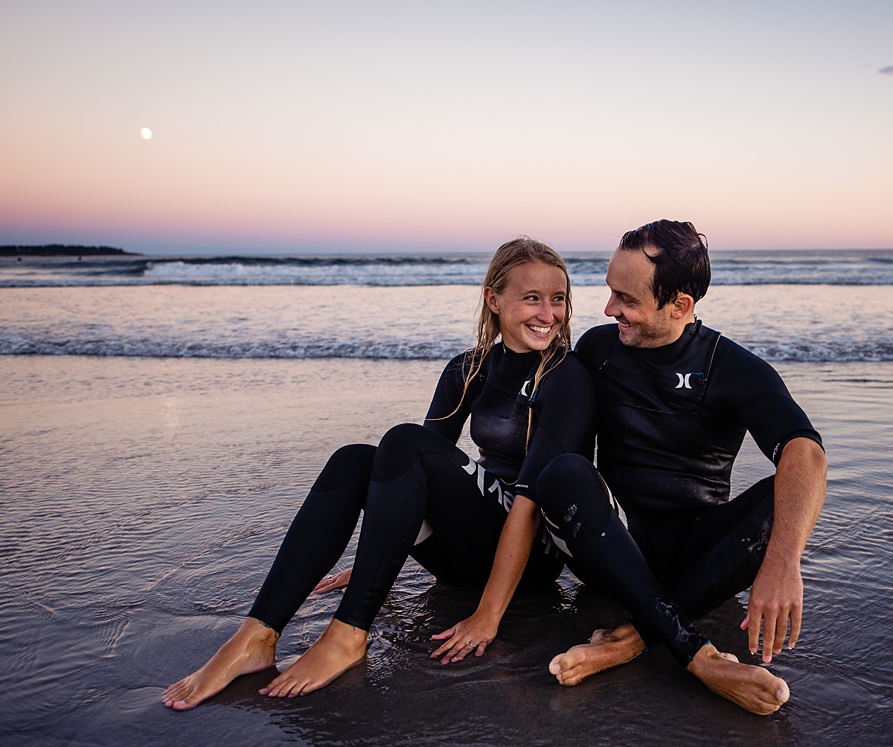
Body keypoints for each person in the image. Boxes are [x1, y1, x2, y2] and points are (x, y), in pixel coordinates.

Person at [163, 237, 594, 710]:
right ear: (494, 299)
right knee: (354, 459)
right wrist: (374, 561)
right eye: (532, 297)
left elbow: (526, 504)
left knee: (404, 440)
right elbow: (415, 477)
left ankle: (347, 635)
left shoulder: (566, 375)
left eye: (558, 299)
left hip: (530, 560)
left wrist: (488, 616)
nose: (548, 314)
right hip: (469, 554)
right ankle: (255, 635)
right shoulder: (468, 369)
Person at [536, 220, 828, 715]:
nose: (609, 310)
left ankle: (631, 639)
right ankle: (697, 656)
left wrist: (783, 563)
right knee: (562, 472)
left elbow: (806, 452)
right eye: (610, 292)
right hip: (612, 545)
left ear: (680, 305)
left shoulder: (731, 367)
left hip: (699, 556)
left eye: (626, 299)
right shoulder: (599, 350)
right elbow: (555, 442)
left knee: (780, 496)